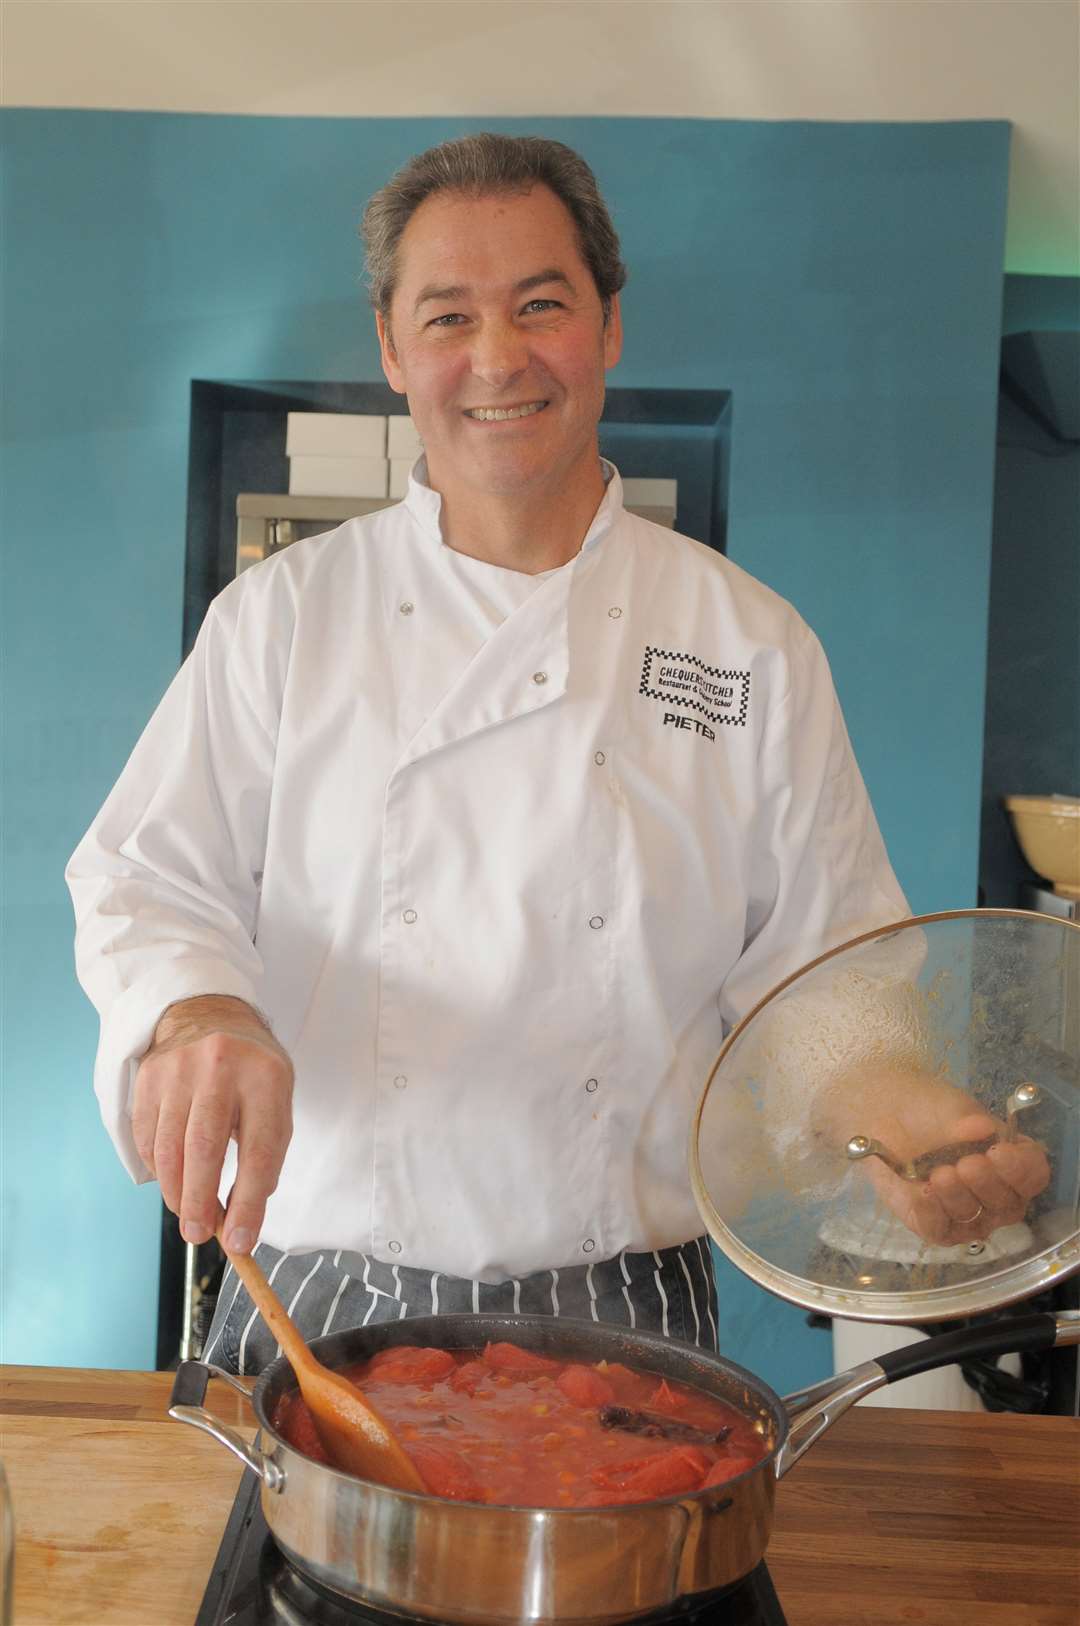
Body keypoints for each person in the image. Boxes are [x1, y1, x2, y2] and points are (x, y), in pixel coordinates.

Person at [66, 134, 1047, 1374]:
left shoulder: (749, 647)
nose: (496, 359)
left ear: (609, 324)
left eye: (541, 305)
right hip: (321, 1296)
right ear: (389, 347)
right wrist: (200, 1010)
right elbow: (148, 881)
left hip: (630, 1304)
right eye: (447, 316)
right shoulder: (284, 620)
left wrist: (918, 1124)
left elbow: (823, 987)